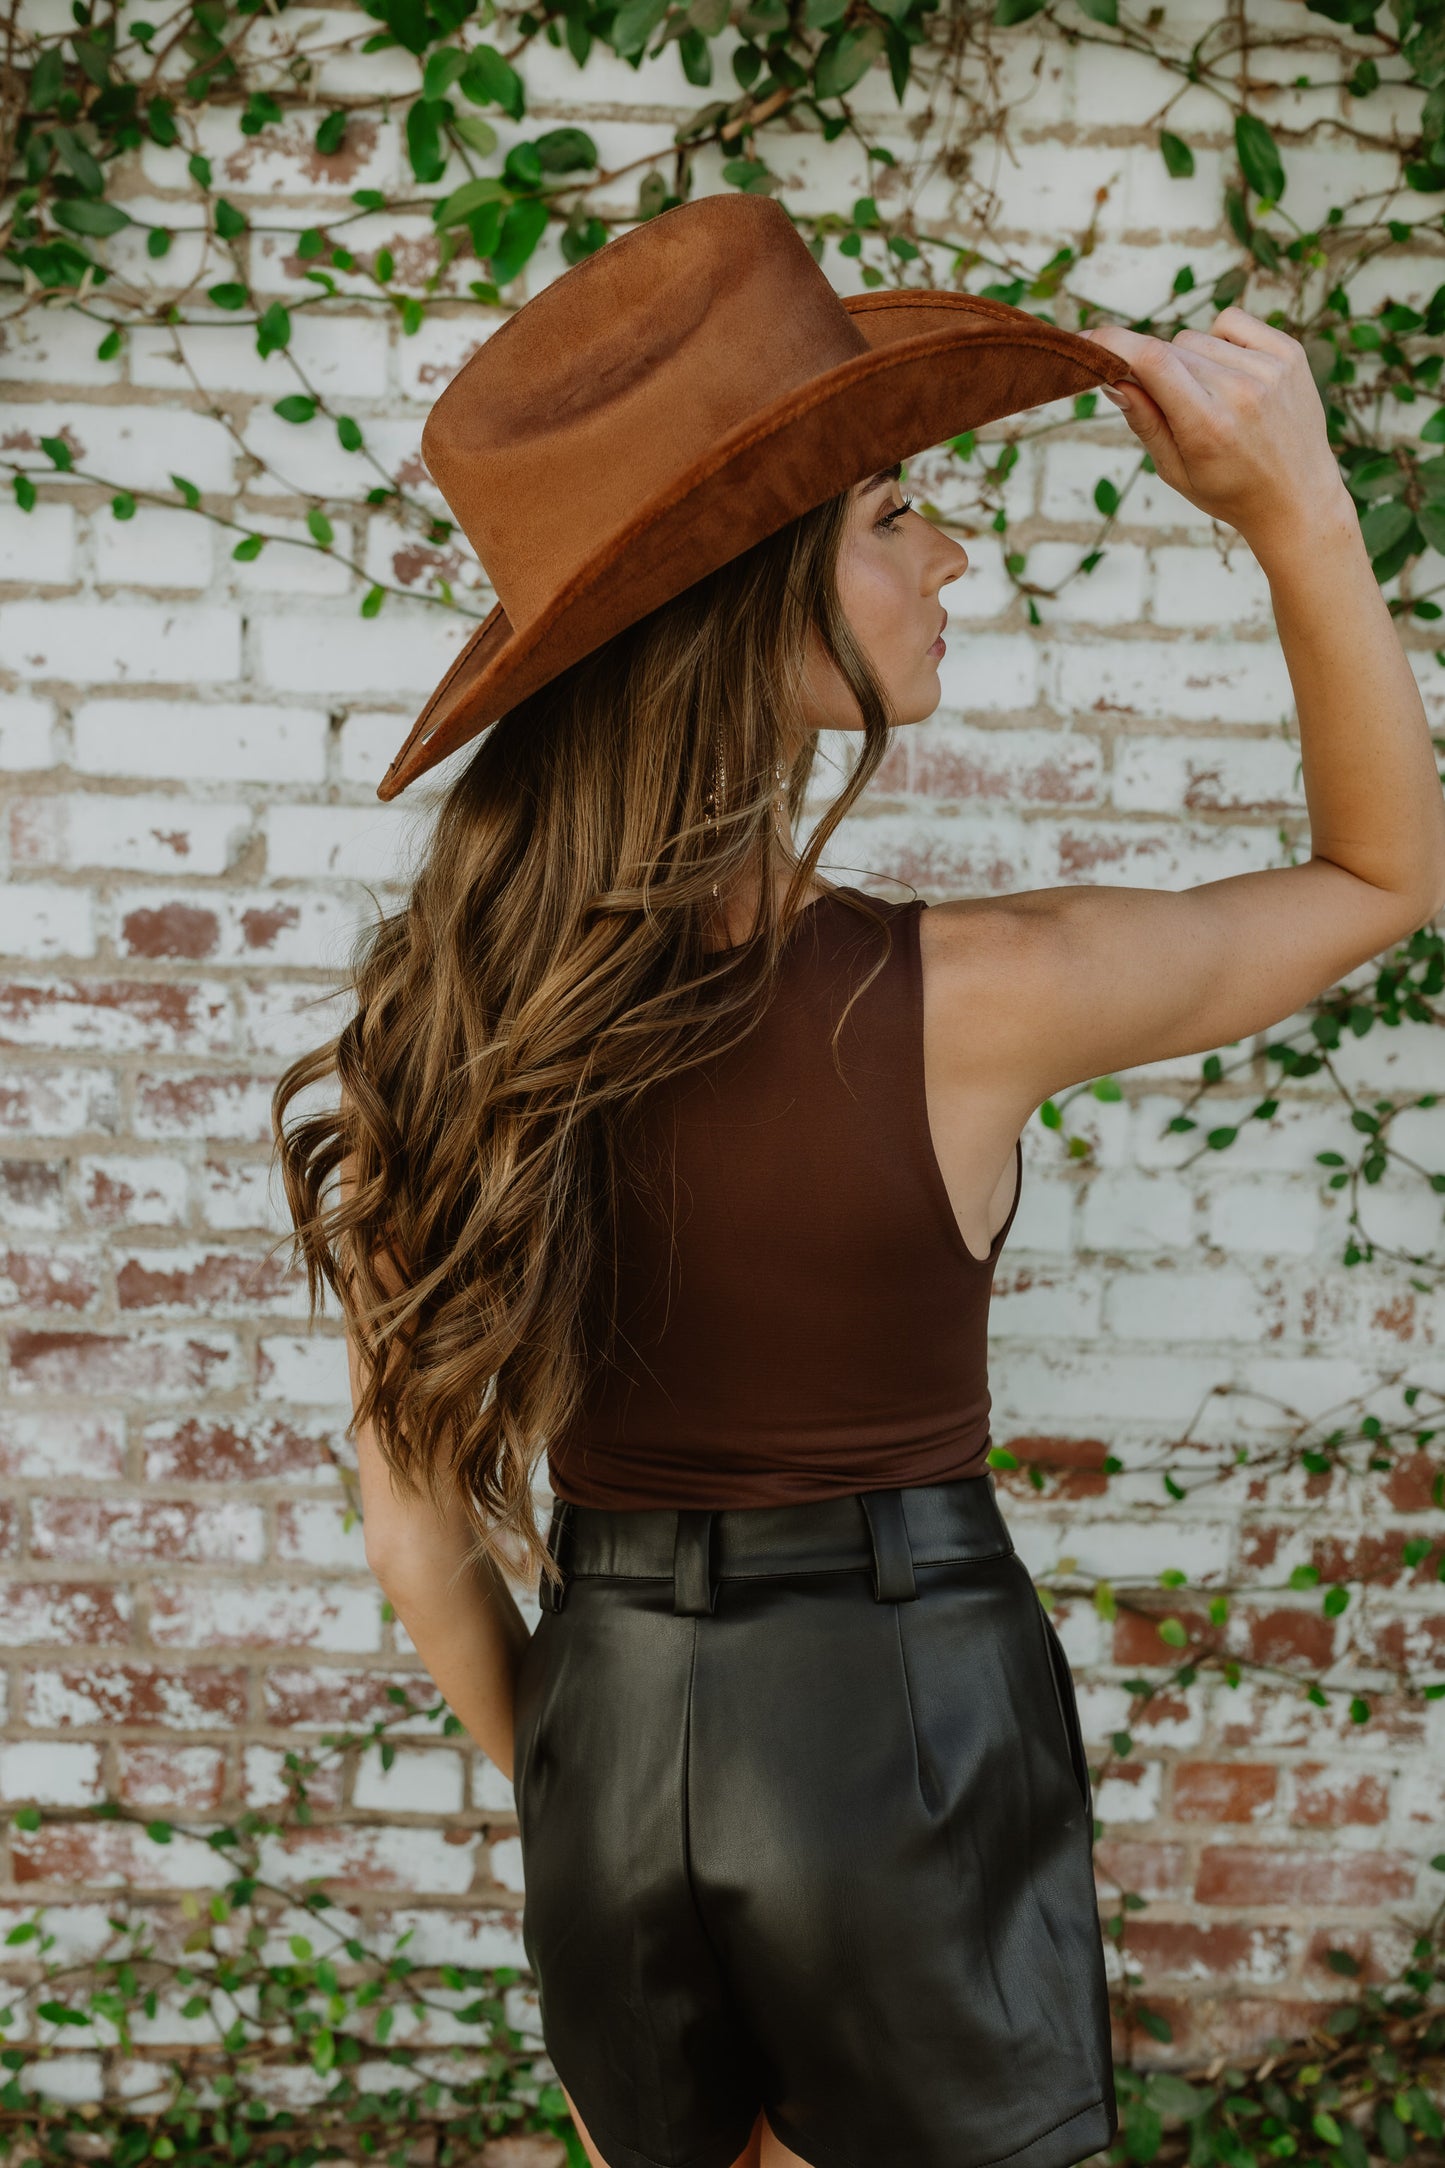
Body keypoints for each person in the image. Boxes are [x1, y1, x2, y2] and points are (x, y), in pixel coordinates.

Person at [273, 193, 1445, 2168]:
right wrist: (1297, 513)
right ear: (762, 599)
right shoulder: (969, 996)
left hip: (607, 1743)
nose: (951, 551)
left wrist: (594, 1778)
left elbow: (415, 1535)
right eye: (897, 514)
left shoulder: (443, 1030)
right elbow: (1382, 874)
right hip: (899, 1741)